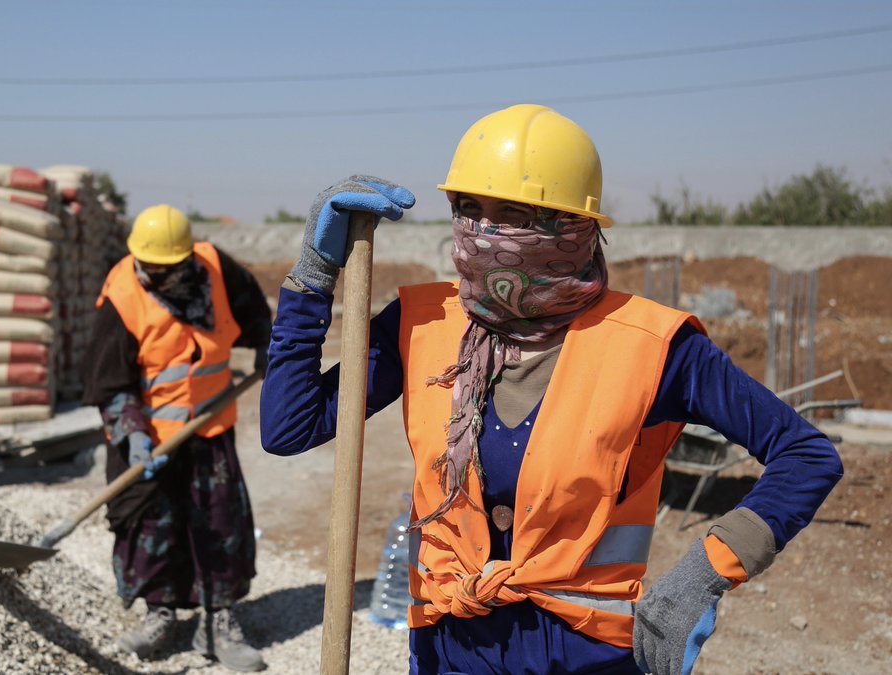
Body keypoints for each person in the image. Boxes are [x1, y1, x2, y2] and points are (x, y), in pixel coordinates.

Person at [259, 104, 843, 674]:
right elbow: (290, 427)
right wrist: (312, 276)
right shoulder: (421, 322)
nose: (485, 232)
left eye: (512, 214)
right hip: (449, 647)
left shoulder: (655, 346)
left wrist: (702, 574)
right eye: (468, 208)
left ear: (572, 226)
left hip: (586, 652)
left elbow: (805, 455)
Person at [82, 204, 272, 672]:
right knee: (150, 527)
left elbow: (258, 316)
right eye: (152, 268)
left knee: (220, 523)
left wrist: (273, 350)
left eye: (170, 268)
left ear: (187, 259)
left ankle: (221, 622)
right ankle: (159, 617)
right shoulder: (123, 294)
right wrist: (131, 435)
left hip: (210, 428)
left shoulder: (216, 269)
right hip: (148, 439)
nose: (160, 276)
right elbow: (109, 381)